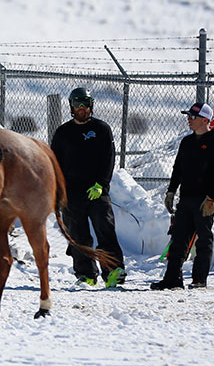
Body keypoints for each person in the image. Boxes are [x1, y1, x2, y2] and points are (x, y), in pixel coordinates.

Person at [50, 87, 126, 286]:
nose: (81, 108)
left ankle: (113, 271)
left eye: (85, 103)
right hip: (71, 193)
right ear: (71, 107)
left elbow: (108, 159)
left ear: (91, 106)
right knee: (78, 235)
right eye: (77, 104)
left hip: (96, 190)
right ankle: (86, 275)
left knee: (105, 229)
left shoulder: (101, 129)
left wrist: (101, 184)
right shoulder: (63, 132)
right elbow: (54, 163)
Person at [151, 102, 214, 290]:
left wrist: (212, 198)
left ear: (205, 120)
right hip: (186, 198)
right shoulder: (187, 142)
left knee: (203, 239)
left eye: (193, 117)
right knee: (178, 239)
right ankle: (172, 279)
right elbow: (178, 169)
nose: (189, 120)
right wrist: (171, 191)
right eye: (188, 116)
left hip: (203, 200)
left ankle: (199, 279)